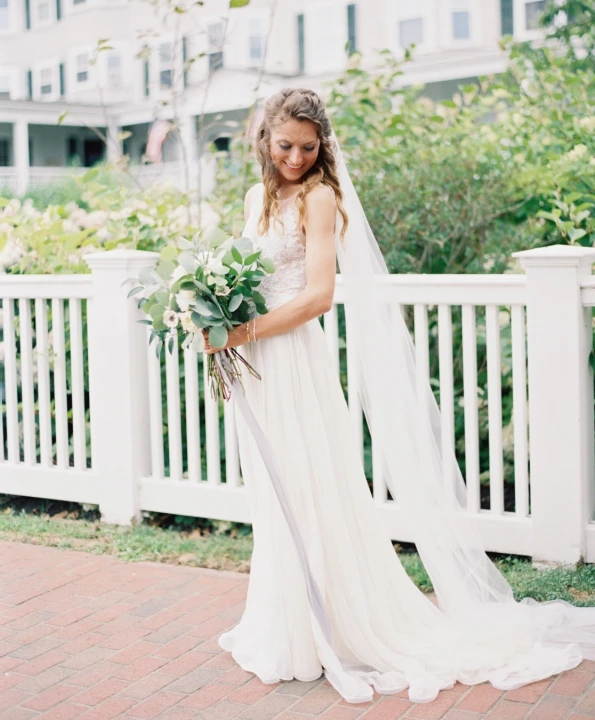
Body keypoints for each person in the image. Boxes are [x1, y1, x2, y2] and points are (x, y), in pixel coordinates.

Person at [203, 87, 595, 705]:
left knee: (311, 484)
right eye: (285, 146)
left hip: (294, 358)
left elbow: (316, 297)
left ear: (321, 146)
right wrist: (214, 313)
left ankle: (333, 626)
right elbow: (249, 276)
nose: (296, 159)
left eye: (308, 148)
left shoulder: (320, 197)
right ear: (264, 140)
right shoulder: (256, 197)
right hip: (258, 363)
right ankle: (286, 624)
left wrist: (240, 329)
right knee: (274, 491)